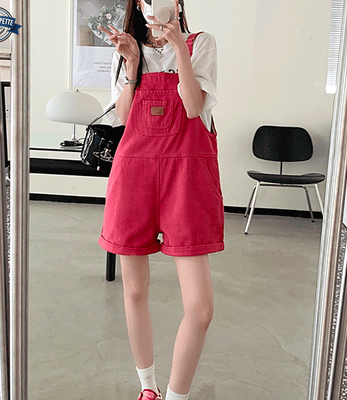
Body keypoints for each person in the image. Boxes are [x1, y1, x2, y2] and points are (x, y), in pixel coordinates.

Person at [98, 0, 224, 399]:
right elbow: (122, 117)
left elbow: (193, 106)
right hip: (134, 174)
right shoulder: (128, 49)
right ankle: (148, 388)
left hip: (186, 178)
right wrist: (132, 66)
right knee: (134, 291)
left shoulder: (201, 43)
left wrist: (180, 49)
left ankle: (176, 396)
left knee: (200, 308)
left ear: (179, 4)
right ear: (140, 5)